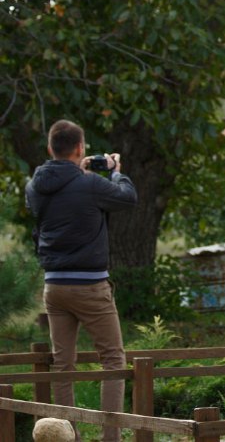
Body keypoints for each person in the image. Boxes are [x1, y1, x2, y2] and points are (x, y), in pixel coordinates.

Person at [25, 119, 137, 442]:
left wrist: (79, 171)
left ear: (50, 148)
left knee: (63, 364)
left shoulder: (34, 186)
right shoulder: (90, 184)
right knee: (113, 361)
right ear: (80, 147)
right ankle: (110, 437)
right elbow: (127, 197)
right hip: (90, 285)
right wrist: (115, 171)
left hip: (54, 287)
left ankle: (66, 435)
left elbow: (59, 196)